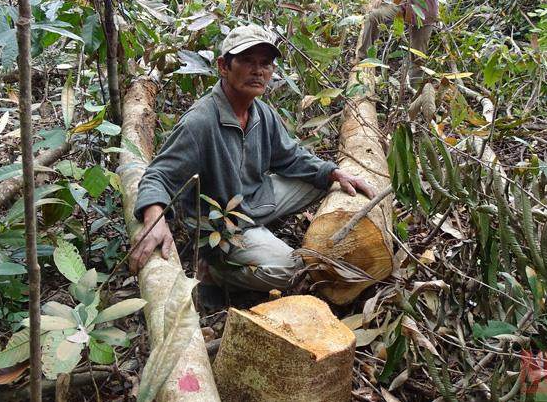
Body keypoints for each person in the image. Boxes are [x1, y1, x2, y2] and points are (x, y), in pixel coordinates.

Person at [130, 24, 376, 292]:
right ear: (224, 66)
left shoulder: (261, 113)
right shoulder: (199, 122)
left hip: (255, 199)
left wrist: (334, 173)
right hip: (224, 223)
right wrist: (155, 220)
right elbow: (158, 175)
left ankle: (261, 238)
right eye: (247, 61)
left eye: (265, 63)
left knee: (327, 182)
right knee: (291, 272)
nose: (258, 71)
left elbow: (290, 157)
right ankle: (216, 272)